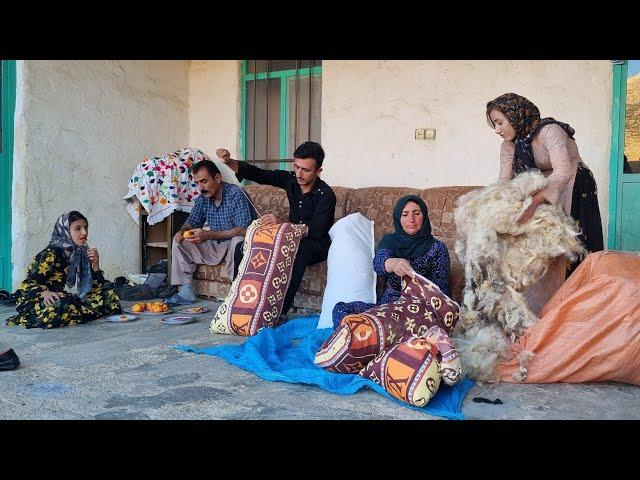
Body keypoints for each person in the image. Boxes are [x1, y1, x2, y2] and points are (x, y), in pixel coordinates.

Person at [486, 92, 604, 314]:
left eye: (500, 122)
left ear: (516, 115)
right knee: (547, 249)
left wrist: (535, 202)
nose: (497, 129)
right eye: (494, 124)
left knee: (575, 246)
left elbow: (563, 171)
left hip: (574, 185)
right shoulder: (509, 146)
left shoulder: (549, 131)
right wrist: (493, 208)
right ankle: (551, 311)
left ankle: (586, 309)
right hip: (542, 190)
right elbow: (503, 182)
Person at [217, 141, 336, 320]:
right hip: (289, 236)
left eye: (306, 170)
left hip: (315, 244)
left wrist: (281, 224)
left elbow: (316, 231)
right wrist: (229, 162)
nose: (299, 173)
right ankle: (238, 301)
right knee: (243, 246)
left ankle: (279, 311)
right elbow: (260, 174)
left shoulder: (326, 195)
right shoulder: (291, 180)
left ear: (318, 171)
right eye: (296, 167)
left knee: (299, 251)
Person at [331, 195, 451, 328]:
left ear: (424, 216)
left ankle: (373, 337)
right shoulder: (390, 241)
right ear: (398, 219)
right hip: (386, 309)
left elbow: (441, 293)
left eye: (416, 213)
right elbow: (379, 262)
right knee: (340, 309)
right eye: (405, 214)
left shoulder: (437, 248)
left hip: (419, 314)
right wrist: (394, 263)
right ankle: (359, 339)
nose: (411, 219)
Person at [6, 211, 121, 329]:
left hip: (59, 298)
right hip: (37, 302)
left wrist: (95, 265)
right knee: (62, 304)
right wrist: (44, 292)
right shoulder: (50, 255)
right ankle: (79, 313)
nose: (84, 232)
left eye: (86, 228)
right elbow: (26, 285)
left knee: (109, 294)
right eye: (78, 228)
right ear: (65, 230)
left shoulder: (79, 252)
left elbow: (97, 286)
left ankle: (76, 313)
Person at [166, 159, 256, 306]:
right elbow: (192, 221)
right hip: (217, 244)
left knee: (237, 240)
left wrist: (209, 235)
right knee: (180, 241)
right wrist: (182, 231)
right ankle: (186, 290)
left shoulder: (236, 194)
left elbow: (244, 229)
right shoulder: (203, 198)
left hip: (236, 246)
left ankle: (236, 294)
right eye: (197, 183)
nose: (200, 187)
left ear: (218, 178)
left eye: (204, 181)